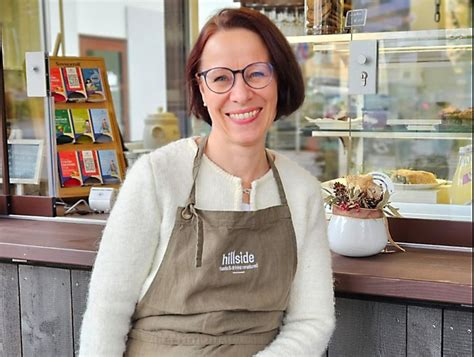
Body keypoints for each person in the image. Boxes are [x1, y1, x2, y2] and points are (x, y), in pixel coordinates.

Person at [79, 7, 335, 357]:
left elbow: (313, 320)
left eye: (256, 73)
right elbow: (106, 314)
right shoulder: (157, 177)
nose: (241, 94)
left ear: (280, 79)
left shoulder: (302, 190)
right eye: (220, 78)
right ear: (200, 89)